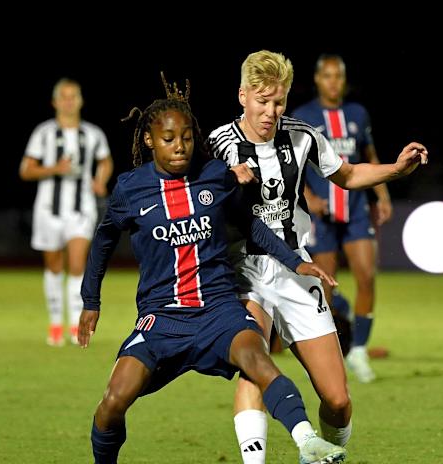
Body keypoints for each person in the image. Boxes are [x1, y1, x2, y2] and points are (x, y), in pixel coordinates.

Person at [78, 75, 348, 463]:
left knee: (259, 362)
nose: (180, 147)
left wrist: (297, 261)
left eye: (187, 137)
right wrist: (91, 301)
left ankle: (307, 441)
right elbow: (103, 241)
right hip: (161, 318)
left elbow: (251, 224)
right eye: (169, 139)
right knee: (113, 402)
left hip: (219, 311)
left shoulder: (214, 175)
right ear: (150, 140)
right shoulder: (130, 189)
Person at [207, 50, 428, 463]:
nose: (271, 111)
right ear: (242, 96)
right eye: (262, 101)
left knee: (338, 400)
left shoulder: (303, 136)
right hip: (244, 271)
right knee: (254, 365)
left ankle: (328, 455)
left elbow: (346, 176)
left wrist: (395, 171)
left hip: (297, 268)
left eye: (278, 101)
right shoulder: (219, 145)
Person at [292, 54, 391, 383]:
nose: (333, 82)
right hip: (322, 215)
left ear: (344, 80)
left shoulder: (357, 114)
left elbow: (369, 156)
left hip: (355, 210)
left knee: (366, 275)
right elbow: (292, 164)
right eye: (328, 76)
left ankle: (359, 351)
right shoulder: (303, 116)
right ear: (318, 79)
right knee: (325, 288)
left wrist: (382, 194)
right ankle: (333, 348)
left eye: (339, 76)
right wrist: (309, 197)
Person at [19, 78, 113, 346]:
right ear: (55, 102)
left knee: (76, 264)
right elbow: (26, 170)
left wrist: (100, 180)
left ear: (81, 100)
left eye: (74, 96)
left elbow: (105, 161)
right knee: (53, 266)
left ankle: (75, 324)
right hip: (49, 210)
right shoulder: (44, 133)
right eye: (65, 97)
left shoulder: (93, 134)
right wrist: (54, 169)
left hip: (81, 208)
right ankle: (55, 322)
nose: (70, 101)